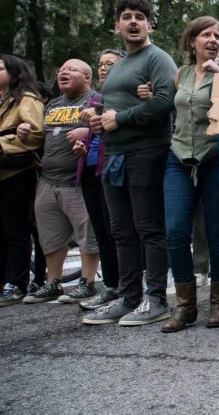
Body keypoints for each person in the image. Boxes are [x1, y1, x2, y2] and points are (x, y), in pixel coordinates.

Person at [83, 0, 178, 326]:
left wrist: (119, 119)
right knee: (120, 229)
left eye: (140, 17)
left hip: (147, 152)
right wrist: (98, 121)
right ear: (117, 26)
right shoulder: (118, 65)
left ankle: (156, 299)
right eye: (127, 17)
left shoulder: (158, 58)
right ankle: (128, 297)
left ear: (149, 25)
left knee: (148, 227)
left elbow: (166, 102)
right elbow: (109, 108)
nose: (134, 22)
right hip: (114, 156)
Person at [160, 16, 219, 332]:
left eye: (217, 35)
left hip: (212, 159)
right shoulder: (181, 73)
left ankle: (218, 304)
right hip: (178, 159)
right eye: (206, 34)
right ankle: (185, 306)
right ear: (192, 42)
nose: (213, 40)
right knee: (176, 232)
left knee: (217, 233)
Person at [18, 60, 102, 304]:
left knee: (87, 232)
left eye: (71, 70)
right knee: (50, 234)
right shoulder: (52, 104)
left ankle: (87, 282)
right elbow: (42, 138)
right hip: (47, 178)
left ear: (87, 77)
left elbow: (108, 128)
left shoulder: (96, 100)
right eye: (60, 70)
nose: (63, 72)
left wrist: (88, 133)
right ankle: (53, 283)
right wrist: (26, 133)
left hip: (77, 180)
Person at [76, 49, 126, 309]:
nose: (104, 68)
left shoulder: (122, 96)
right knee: (102, 231)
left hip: (115, 167)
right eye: (101, 64)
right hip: (91, 170)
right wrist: (83, 146)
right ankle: (111, 285)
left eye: (110, 64)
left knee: (118, 230)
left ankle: (128, 285)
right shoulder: (95, 99)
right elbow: (93, 136)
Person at [0, 55, 45, 307]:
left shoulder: (26, 100)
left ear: (14, 73)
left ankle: (16, 283)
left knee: (16, 231)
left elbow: (34, 135)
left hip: (17, 173)